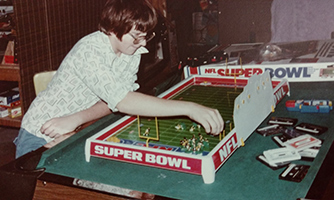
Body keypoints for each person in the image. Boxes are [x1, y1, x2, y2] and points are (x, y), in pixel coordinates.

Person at [14, 0, 224, 158]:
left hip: (77, 126)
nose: (144, 44)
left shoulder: (131, 51)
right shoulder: (90, 51)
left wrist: (77, 118)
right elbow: (123, 101)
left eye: (147, 36)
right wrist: (189, 108)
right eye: (136, 37)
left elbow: (115, 102)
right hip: (40, 132)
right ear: (114, 29)